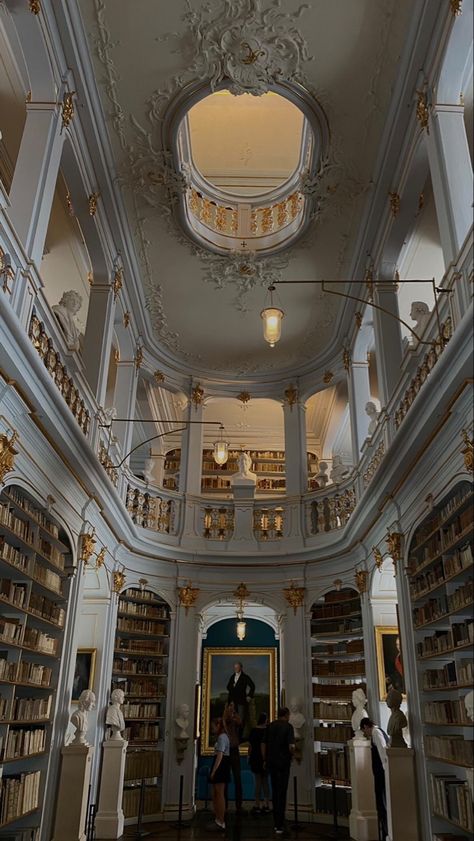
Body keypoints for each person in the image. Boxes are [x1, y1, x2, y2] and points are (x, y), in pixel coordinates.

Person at [262, 706, 295, 834]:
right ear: (286, 715)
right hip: (284, 763)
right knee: (282, 792)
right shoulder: (288, 727)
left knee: (275, 791)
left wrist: (265, 759)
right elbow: (291, 746)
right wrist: (293, 753)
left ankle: (276, 823)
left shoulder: (270, 726)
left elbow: (263, 744)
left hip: (272, 762)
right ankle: (280, 824)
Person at [361, 718, 388, 840]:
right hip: (380, 773)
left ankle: (386, 831)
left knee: (382, 801)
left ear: (367, 726)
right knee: (381, 801)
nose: (364, 733)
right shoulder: (376, 733)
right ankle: (384, 830)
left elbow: (383, 752)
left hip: (381, 773)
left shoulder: (376, 733)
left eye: (364, 730)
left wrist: (385, 771)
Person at [208, 718, 230, 832]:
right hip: (221, 765)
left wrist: (214, 771)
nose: (212, 729)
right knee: (217, 793)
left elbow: (220, 755)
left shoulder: (222, 737)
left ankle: (220, 821)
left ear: (218, 725)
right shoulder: (224, 736)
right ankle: (218, 819)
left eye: (213, 727)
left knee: (219, 794)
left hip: (220, 765)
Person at [248, 712, 270, 814]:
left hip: (255, 758)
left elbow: (250, 746)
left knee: (257, 782)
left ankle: (256, 804)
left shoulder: (253, 731)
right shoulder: (267, 731)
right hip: (264, 758)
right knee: (265, 782)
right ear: (265, 720)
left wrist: (249, 756)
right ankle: (266, 804)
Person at [223, 702, 243, 812]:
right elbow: (226, 720)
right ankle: (224, 805)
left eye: (233, 706)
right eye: (230, 706)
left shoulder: (235, 717)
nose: (232, 707)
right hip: (226, 750)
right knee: (225, 778)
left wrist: (234, 714)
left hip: (234, 750)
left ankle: (239, 806)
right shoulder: (225, 718)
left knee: (238, 778)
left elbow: (240, 722)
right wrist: (228, 713)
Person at [226, 661, 255, 730]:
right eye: (235, 667)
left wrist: (249, 696)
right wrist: (233, 686)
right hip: (232, 701)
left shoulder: (245, 677)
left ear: (241, 668)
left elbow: (252, 686)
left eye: (237, 667)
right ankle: (234, 737)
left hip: (241, 701)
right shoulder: (232, 676)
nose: (235, 669)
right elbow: (228, 687)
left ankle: (240, 737)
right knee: (232, 720)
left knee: (241, 720)